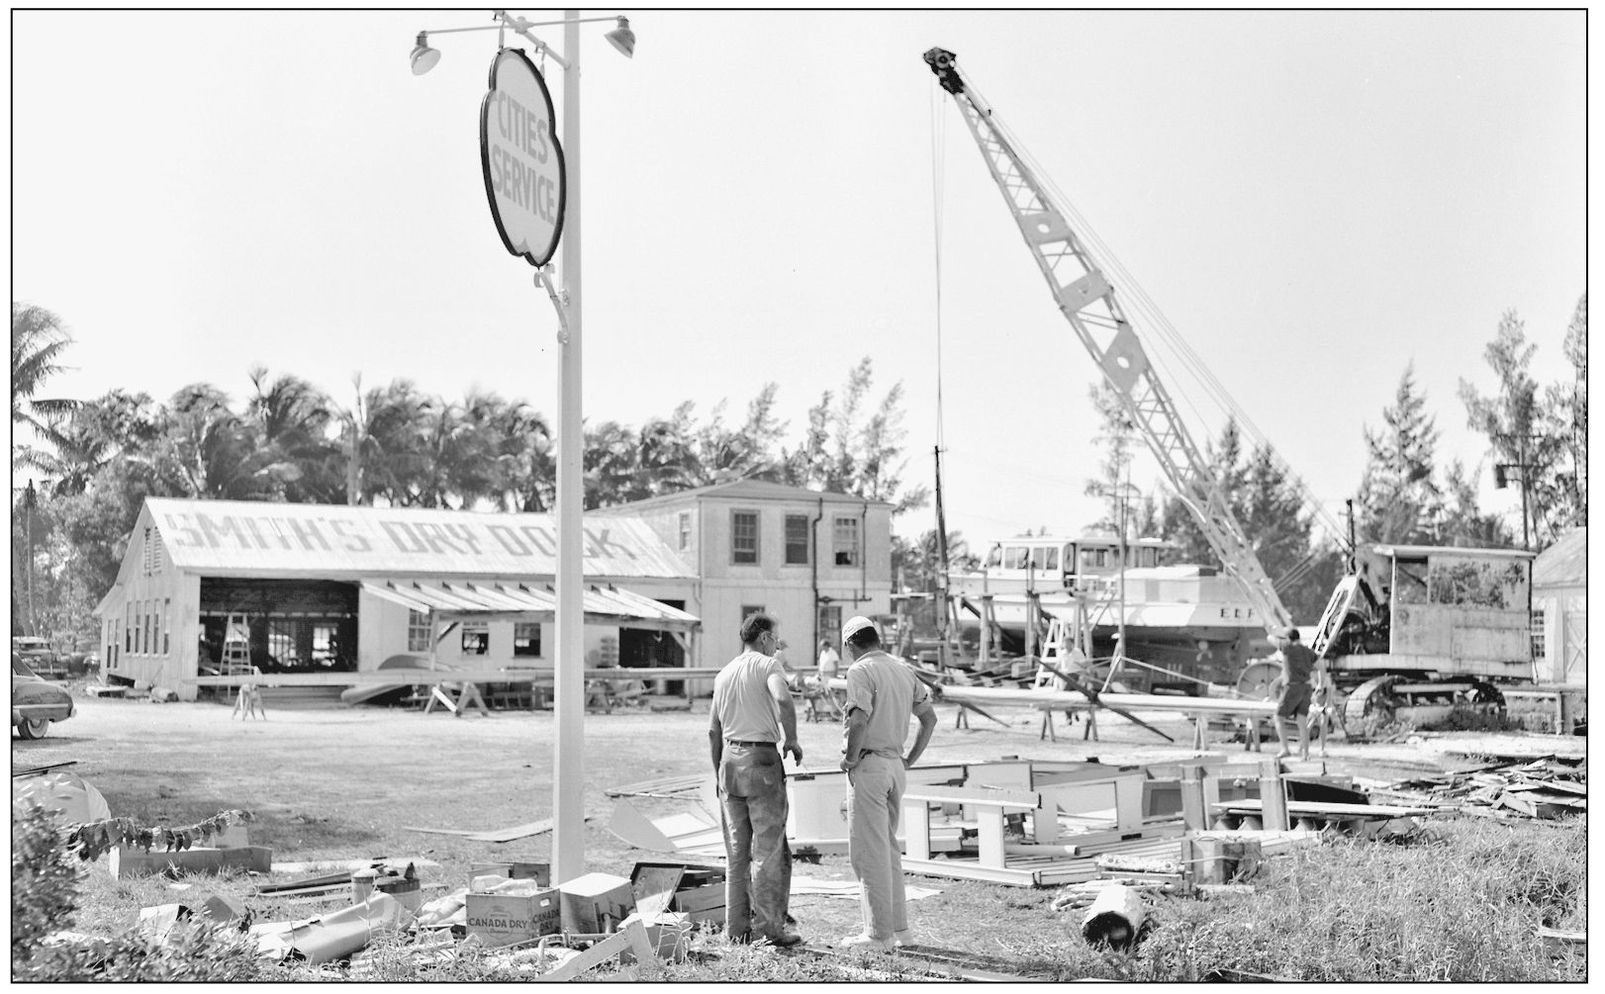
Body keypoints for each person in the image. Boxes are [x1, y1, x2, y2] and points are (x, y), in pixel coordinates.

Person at [837, 615, 938, 951]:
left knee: (869, 853)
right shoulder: (903, 669)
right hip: (896, 766)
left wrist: (850, 759)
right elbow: (929, 717)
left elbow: (859, 720)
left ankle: (878, 934)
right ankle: (900, 928)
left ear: (851, 644)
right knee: (889, 851)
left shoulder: (860, 671)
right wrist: (909, 759)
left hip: (870, 764)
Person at [708, 613, 803, 948]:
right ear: (763, 638)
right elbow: (782, 698)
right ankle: (768, 929)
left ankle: (735, 930)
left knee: (736, 854)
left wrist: (719, 773)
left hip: (729, 763)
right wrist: (791, 738)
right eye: (775, 639)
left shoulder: (724, 674)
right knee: (767, 850)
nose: (777, 645)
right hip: (761, 759)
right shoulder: (767, 666)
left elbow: (713, 731)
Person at [1270, 626, 1318, 760]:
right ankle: (1305, 754)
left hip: (1293, 687)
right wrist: (1321, 682)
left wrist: (1273, 632)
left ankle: (1285, 748)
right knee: (1302, 721)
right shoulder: (1308, 651)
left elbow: (1270, 639)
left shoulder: (1288, 648)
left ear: (1288, 639)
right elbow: (1320, 665)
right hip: (1307, 688)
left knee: (1278, 717)